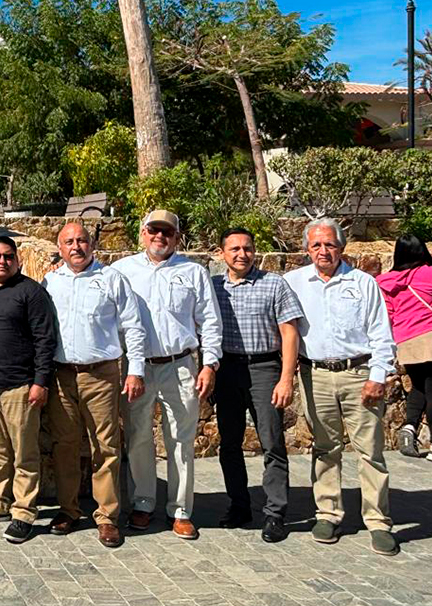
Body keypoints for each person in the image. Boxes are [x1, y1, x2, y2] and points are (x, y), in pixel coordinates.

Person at [284, 219, 398, 556]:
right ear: (307, 249)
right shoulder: (293, 284)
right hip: (315, 374)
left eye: (330, 244)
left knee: (371, 451)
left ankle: (378, 521)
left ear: (341, 247)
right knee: (324, 447)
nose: (324, 251)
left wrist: (378, 376)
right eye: (317, 245)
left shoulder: (363, 283)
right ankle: (329, 513)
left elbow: (381, 334)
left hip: (358, 374)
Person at [112, 210, 222, 540]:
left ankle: (181, 510)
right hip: (138, 367)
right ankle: (144, 503)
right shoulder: (122, 271)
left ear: (177, 237)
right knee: (139, 437)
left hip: (181, 365)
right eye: (154, 230)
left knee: (181, 440)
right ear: (142, 234)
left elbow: (210, 321)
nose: (160, 237)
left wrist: (209, 363)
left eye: (167, 232)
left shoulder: (193, 272)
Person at [42, 222, 146, 549]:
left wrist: (136, 371)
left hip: (101, 375)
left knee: (106, 446)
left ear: (92, 244)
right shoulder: (50, 282)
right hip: (61, 376)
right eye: (69, 242)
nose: (76, 246)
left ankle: (107, 517)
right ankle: (69, 510)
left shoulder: (112, 279)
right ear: (60, 248)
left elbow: (133, 327)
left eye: (82, 240)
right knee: (65, 445)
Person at [211, 227, 304, 543]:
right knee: (229, 443)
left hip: (265, 368)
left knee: (272, 443)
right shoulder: (213, 288)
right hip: (227, 370)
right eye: (234, 248)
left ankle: (275, 514)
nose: (241, 254)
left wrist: (286, 378)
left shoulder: (274, 284)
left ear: (255, 251)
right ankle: (239, 506)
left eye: (247, 248)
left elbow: (290, 333)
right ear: (222, 253)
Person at [0, 235, 59, 544]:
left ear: (16, 259)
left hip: (21, 386)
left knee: (24, 454)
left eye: (8, 256)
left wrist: (40, 382)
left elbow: (45, 340)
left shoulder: (31, 293)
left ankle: (23, 513)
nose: (2, 261)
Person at [377, 234, 432, 458]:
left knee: (419, 386)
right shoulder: (428, 273)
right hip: (429, 336)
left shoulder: (384, 282)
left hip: (406, 342)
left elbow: (387, 316)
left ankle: (409, 426)